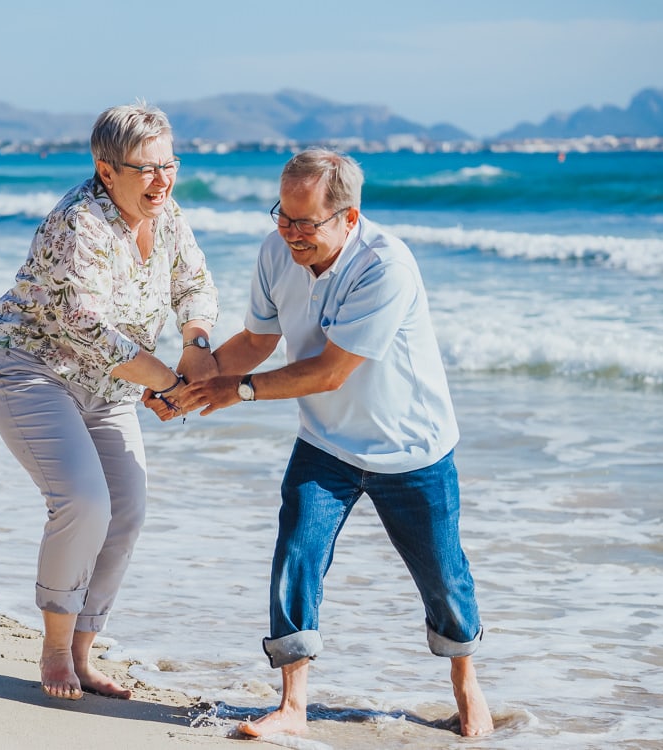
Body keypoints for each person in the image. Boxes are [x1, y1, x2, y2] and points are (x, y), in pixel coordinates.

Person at [178, 149, 493, 737]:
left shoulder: (386, 266)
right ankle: (293, 706)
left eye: (306, 223)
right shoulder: (277, 251)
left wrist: (236, 392)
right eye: (283, 216)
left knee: (444, 576)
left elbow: (330, 371)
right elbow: (256, 340)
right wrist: (191, 384)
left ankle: (466, 684)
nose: (290, 233)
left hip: (409, 447)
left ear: (348, 218)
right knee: (295, 554)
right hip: (325, 442)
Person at [0, 102, 218, 701]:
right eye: (147, 168)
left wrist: (196, 344)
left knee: (128, 510)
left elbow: (193, 282)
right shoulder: (79, 221)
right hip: (34, 369)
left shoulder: (165, 212)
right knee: (84, 502)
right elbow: (84, 328)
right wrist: (165, 379)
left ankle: (84, 653)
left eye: (169, 164)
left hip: (108, 386)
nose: (162, 180)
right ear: (106, 169)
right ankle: (54, 651)